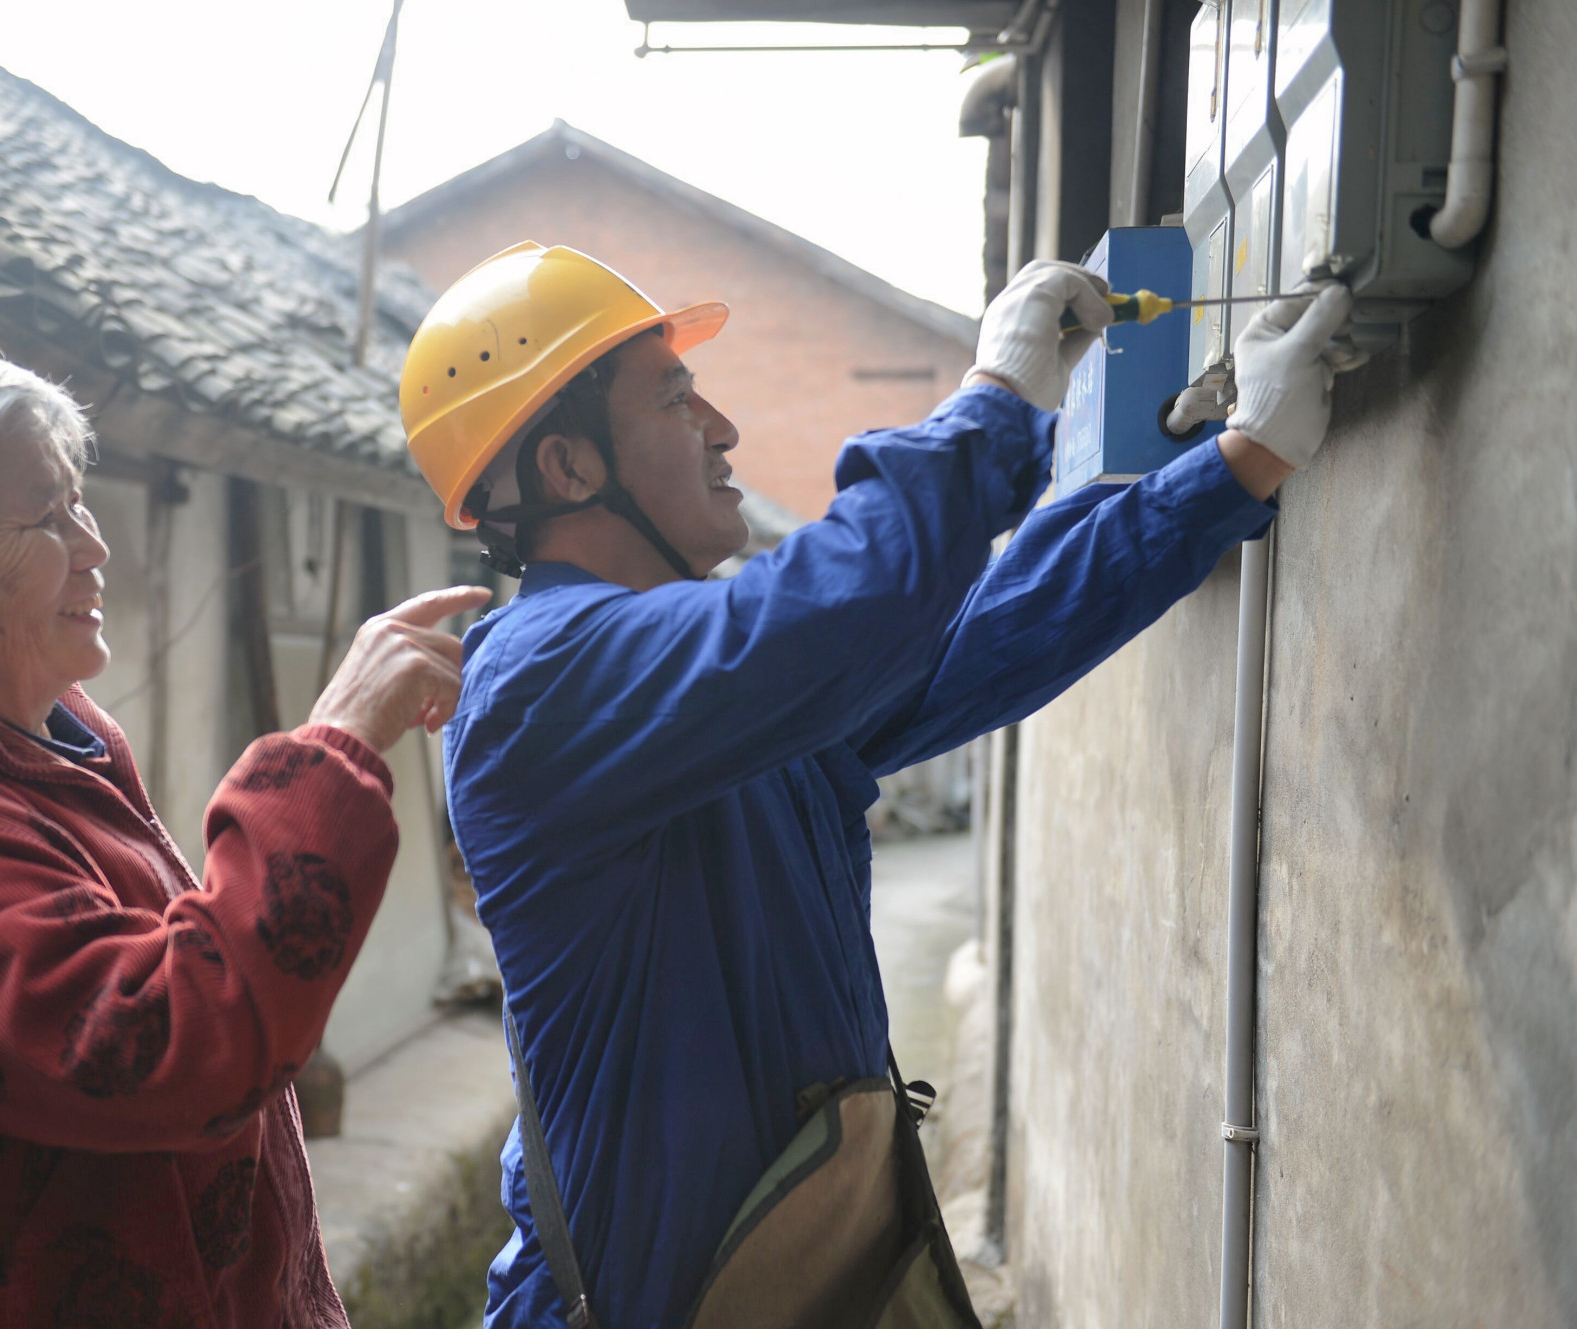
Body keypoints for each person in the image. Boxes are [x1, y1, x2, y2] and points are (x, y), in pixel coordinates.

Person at [402, 243, 1356, 1328]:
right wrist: (991, 404)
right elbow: (837, 610)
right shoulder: (542, 685)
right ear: (570, 470)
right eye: (675, 401)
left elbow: (977, 639)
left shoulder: (715, 691)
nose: (721, 430)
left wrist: (1238, 463)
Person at [0, 341, 488, 1328]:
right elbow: (166, 1048)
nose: (93, 546)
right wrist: (336, 747)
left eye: (77, 502)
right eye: (43, 518)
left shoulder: (39, 735)